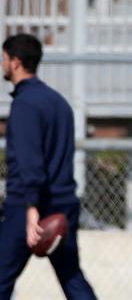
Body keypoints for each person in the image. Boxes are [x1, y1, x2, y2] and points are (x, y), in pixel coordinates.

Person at [0, 34, 97, 299]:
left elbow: (31, 162)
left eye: (5, 58)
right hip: (64, 203)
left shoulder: (25, 105)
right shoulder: (58, 102)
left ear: (16, 62)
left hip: (30, 207)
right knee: (72, 278)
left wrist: (31, 210)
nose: (2, 64)